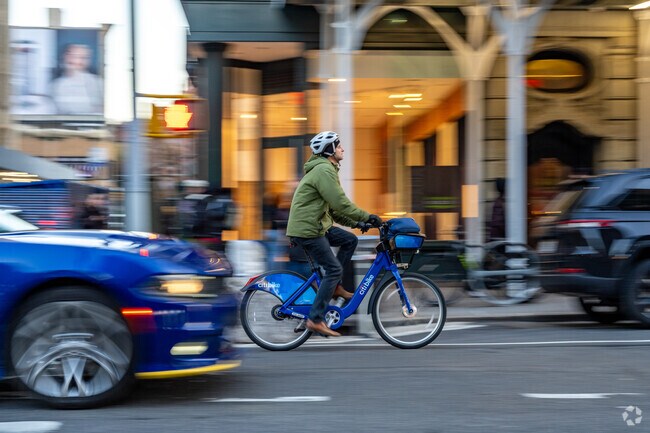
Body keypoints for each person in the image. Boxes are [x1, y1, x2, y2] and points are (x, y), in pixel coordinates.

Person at [287, 131, 381, 337]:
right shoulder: (323, 170)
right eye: (338, 146)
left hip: (317, 225)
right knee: (333, 269)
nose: (342, 149)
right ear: (329, 150)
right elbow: (340, 202)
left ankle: (334, 286)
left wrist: (359, 222)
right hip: (309, 229)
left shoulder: (326, 170)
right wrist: (368, 215)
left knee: (349, 240)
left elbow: (333, 210)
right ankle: (315, 319)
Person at [50, 44, 103, 115]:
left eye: (82, 58)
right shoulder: (54, 86)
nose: (76, 61)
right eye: (73, 56)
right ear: (65, 57)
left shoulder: (98, 83)